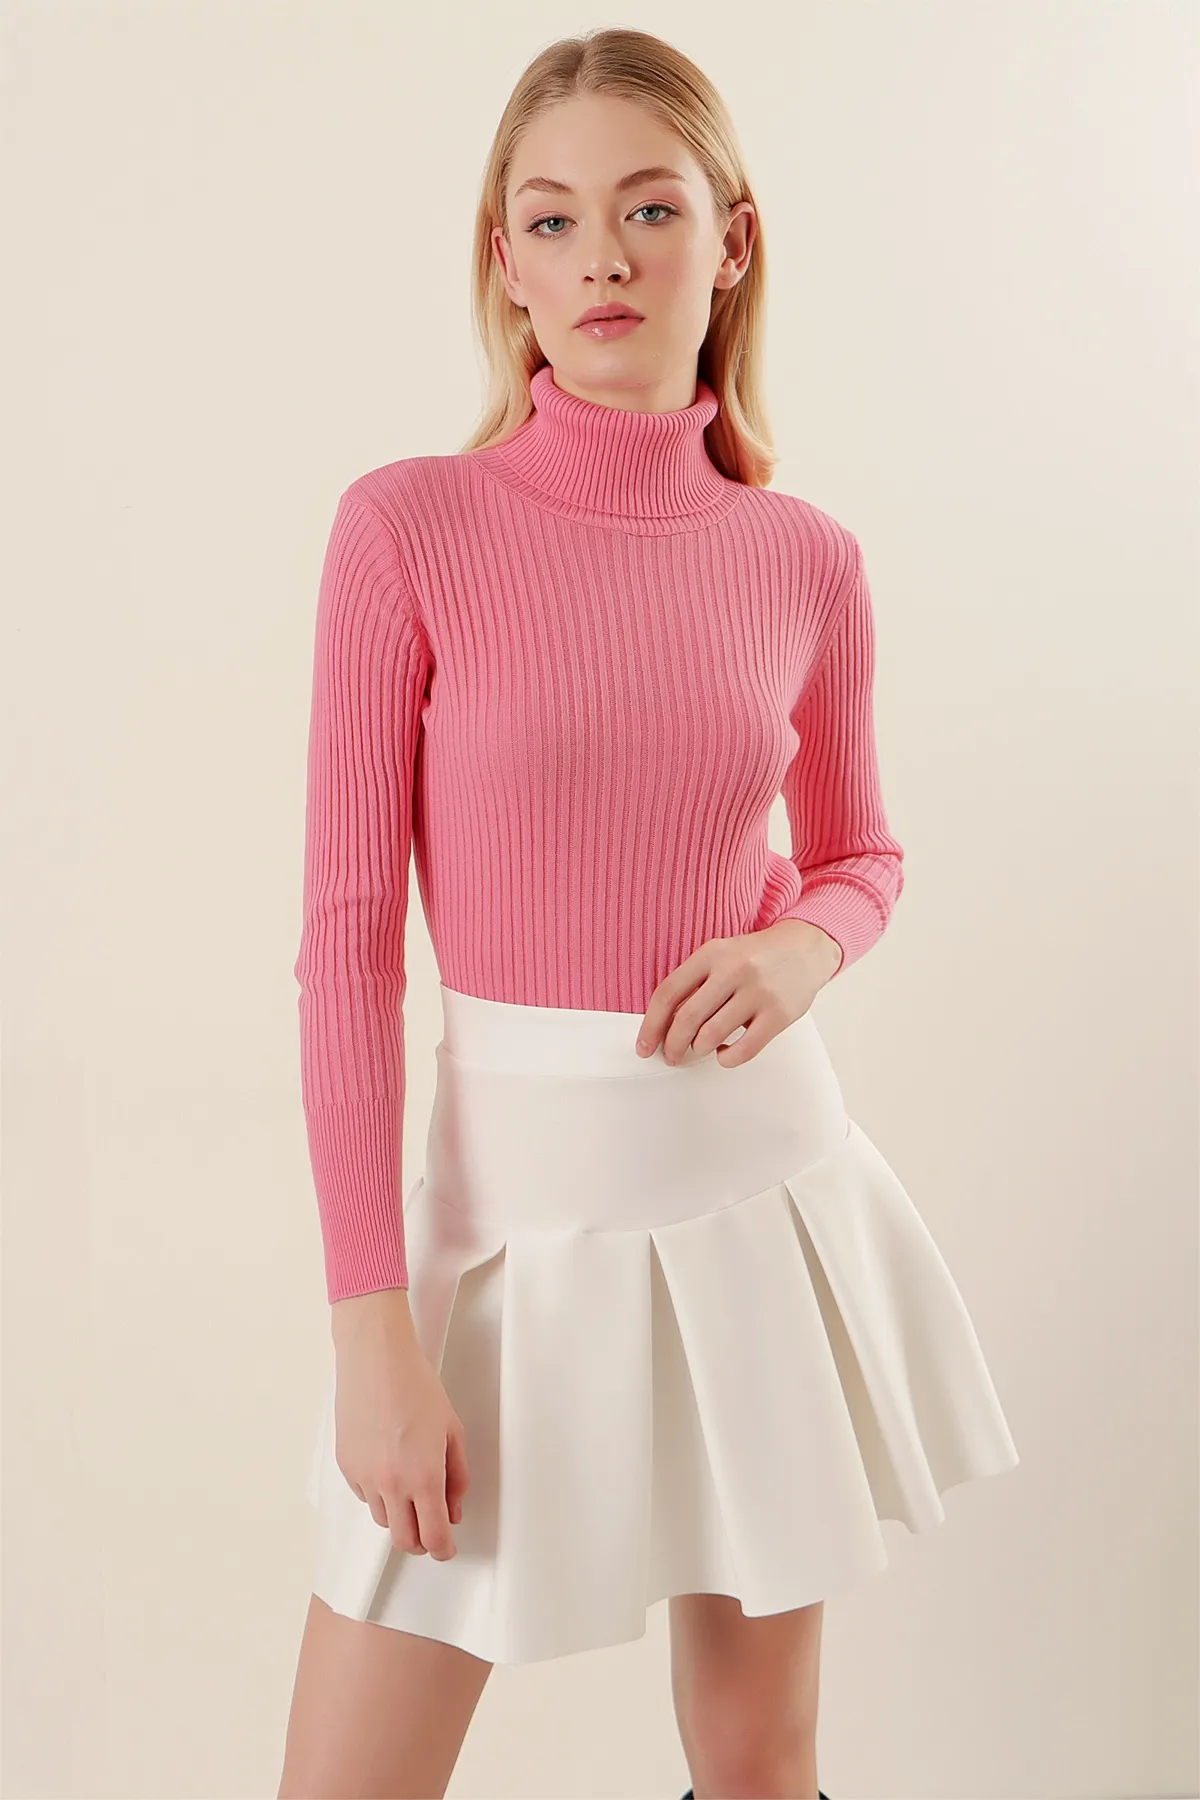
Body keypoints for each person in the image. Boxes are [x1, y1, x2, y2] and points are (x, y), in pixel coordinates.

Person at [277, 26, 1019, 1800]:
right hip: (505, 1230)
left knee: (759, 1764)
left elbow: (863, 853)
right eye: (552, 219)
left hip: (756, 1196)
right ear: (506, 261)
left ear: (731, 240)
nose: (601, 255)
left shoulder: (804, 557)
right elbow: (345, 947)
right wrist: (370, 1325)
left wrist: (801, 945)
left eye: (649, 208)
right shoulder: (406, 530)